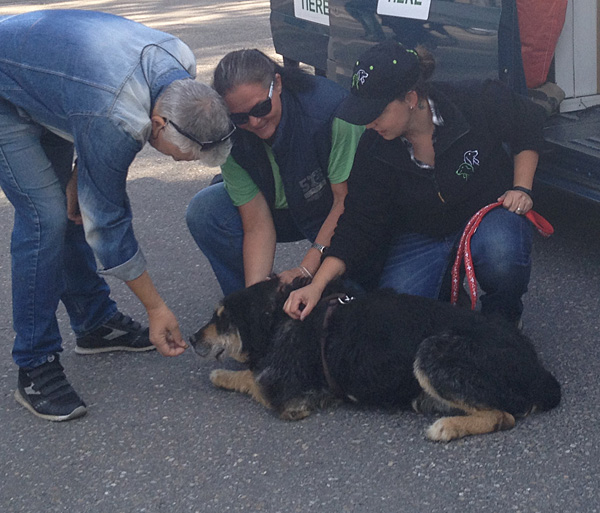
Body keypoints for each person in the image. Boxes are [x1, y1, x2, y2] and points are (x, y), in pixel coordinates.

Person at [0, 10, 233, 421]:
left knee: (73, 207)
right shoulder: (117, 116)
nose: (182, 162)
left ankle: (94, 323)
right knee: (46, 219)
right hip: (8, 92)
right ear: (157, 123)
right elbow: (107, 225)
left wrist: (82, 174)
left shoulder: (181, 64)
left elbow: (91, 133)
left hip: (57, 83)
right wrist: (156, 308)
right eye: (179, 156)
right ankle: (35, 364)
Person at [284, 40, 547, 325]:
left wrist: (522, 187)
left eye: (376, 112)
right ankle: (448, 299)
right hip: (422, 233)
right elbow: (358, 224)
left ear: (410, 98)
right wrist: (317, 285)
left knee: (502, 253)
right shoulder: (373, 149)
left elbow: (528, 122)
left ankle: (503, 319)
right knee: (397, 314)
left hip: (484, 215)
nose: (368, 123)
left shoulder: (474, 99)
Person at [186, 49, 365, 295]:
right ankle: (243, 304)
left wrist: (306, 270)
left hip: (334, 211)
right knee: (206, 211)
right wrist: (256, 299)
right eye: (240, 118)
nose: (254, 122)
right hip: (280, 211)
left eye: (261, 108)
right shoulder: (228, 133)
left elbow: (345, 202)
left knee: (355, 293)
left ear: (277, 84)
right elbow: (256, 225)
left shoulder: (333, 112)